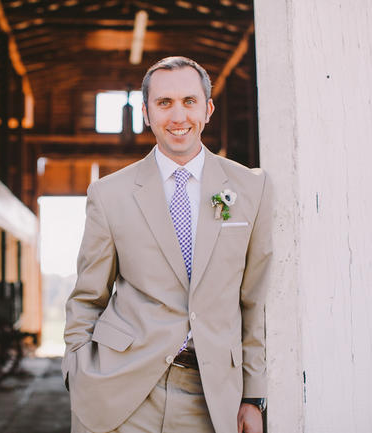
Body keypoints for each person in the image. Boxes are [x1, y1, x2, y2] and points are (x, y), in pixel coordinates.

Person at [62, 56, 272, 433]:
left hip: (211, 396)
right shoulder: (109, 194)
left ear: (207, 110)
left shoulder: (250, 190)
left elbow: (254, 301)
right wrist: (77, 373)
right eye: (164, 103)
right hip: (121, 392)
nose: (178, 116)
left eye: (189, 102)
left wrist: (253, 396)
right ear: (146, 113)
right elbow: (87, 299)